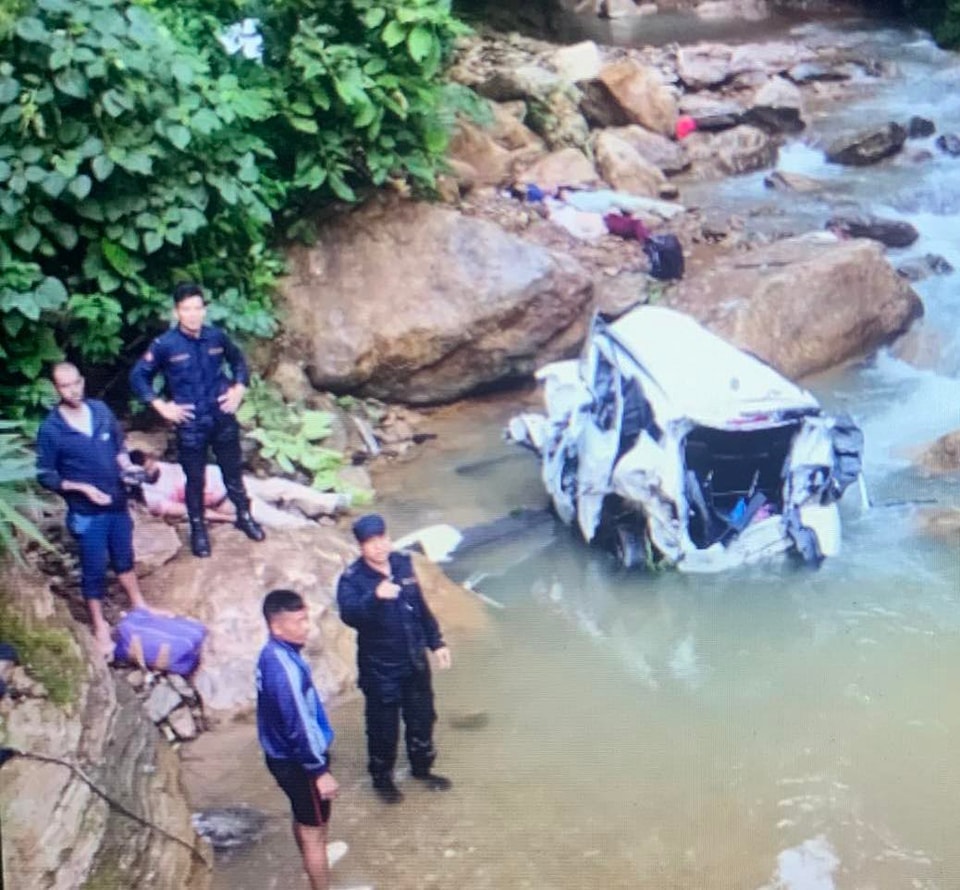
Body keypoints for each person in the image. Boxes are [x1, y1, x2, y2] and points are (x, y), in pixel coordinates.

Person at [129, 281, 265, 558]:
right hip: (190, 422)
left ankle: (244, 515)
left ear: (205, 310)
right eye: (186, 309)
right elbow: (138, 376)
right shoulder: (165, 344)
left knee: (233, 471)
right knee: (195, 479)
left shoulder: (216, 337)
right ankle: (198, 529)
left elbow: (239, 362)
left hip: (221, 414)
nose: (192, 314)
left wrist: (238, 389)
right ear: (177, 312)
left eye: (197, 308)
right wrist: (161, 406)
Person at [36, 363, 154, 656]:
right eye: (65, 386)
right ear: (56, 390)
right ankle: (100, 625)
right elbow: (46, 474)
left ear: (83, 381)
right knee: (93, 567)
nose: (73, 390)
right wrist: (82, 488)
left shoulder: (100, 411)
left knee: (124, 555)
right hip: (86, 512)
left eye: (76, 383)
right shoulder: (52, 429)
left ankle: (138, 602)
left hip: (116, 501)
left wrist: (127, 467)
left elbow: (118, 448)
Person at [336, 513, 452, 804]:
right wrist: (375, 596)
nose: (379, 547)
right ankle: (382, 779)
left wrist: (436, 642)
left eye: (382, 539)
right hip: (380, 668)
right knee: (383, 727)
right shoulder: (352, 579)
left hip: (414, 659)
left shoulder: (402, 563)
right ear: (361, 547)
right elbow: (350, 616)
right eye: (370, 543)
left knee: (422, 718)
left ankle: (422, 770)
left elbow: (419, 607)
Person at [257, 589, 339, 890]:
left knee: (304, 819)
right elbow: (298, 725)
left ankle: (311, 868)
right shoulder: (285, 670)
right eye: (299, 621)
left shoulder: (271, 654)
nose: (307, 627)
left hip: (280, 756)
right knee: (315, 831)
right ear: (276, 626)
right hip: (299, 762)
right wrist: (319, 771)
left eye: (306, 619)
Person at [127, 451, 348, 529]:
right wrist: (227, 519)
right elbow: (190, 512)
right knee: (272, 518)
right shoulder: (154, 497)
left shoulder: (162, 465)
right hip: (224, 500)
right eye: (144, 468)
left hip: (230, 479)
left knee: (279, 487)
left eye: (147, 462)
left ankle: (330, 501)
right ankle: (309, 528)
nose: (150, 467)